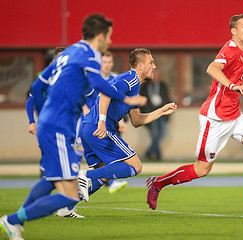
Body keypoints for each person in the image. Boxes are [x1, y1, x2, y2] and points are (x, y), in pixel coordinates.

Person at [0, 14, 146, 240]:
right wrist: (127, 100)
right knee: (68, 196)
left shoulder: (66, 55)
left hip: (53, 124)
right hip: (59, 126)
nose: (110, 40)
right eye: (109, 35)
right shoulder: (89, 54)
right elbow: (99, 84)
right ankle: (12, 220)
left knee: (50, 181)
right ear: (100, 35)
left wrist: (43, 118)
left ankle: (15, 221)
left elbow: (37, 88)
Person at [146, 14, 243, 215]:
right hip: (215, 117)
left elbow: (242, 83)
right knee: (201, 170)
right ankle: (157, 183)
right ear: (233, 31)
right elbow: (212, 68)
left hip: (234, 116)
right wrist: (231, 85)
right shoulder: (230, 49)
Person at [75, 48, 177, 206]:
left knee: (105, 175)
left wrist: (160, 111)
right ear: (140, 66)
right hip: (99, 127)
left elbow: (136, 121)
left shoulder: (135, 89)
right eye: (151, 62)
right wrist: (102, 121)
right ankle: (85, 174)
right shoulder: (131, 79)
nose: (155, 66)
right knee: (135, 166)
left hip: (89, 128)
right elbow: (105, 94)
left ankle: (65, 206)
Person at [25, 47, 66, 136]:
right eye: (59, 58)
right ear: (54, 60)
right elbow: (30, 101)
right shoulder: (45, 78)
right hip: (48, 123)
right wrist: (32, 122)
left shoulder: (75, 78)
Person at [140, 70, 171, 160]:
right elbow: (142, 100)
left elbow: (167, 98)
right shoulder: (145, 86)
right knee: (154, 133)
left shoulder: (162, 85)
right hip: (151, 113)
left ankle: (150, 151)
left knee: (163, 133)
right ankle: (158, 155)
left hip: (162, 113)